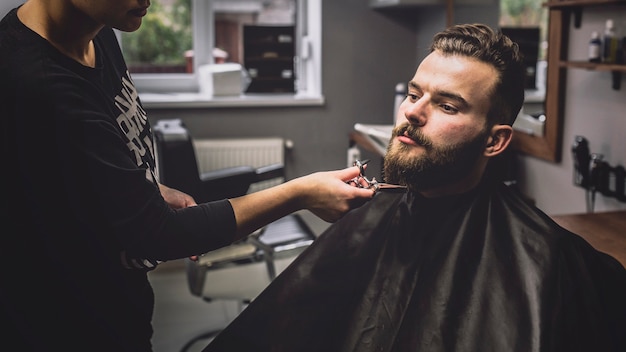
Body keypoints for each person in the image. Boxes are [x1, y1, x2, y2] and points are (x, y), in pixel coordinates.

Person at [202, 24, 626, 352]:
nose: (412, 114)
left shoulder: (550, 260)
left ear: (494, 141)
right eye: (413, 94)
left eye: (446, 105)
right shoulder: (369, 219)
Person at [0, 1, 374, 350]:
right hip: (71, 324)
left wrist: (150, 188)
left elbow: (86, 168)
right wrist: (300, 194)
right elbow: (157, 235)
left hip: (123, 301)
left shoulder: (99, 31)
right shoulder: (36, 86)